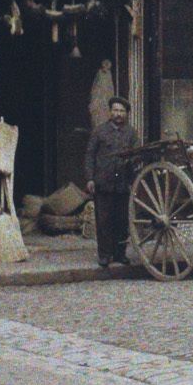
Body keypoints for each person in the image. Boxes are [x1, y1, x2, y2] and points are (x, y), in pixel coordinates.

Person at [83, 95, 137, 271]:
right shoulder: (99, 131)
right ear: (110, 112)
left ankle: (120, 254)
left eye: (121, 111)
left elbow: (135, 157)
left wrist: (133, 179)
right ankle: (105, 255)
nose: (118, 114)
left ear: (126, 114)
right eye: (115, 110)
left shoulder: (131, 133)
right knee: (104, 220)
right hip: (103, 182)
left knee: (121, 221)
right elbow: (90, 155)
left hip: (122, 183)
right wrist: (90, 178)